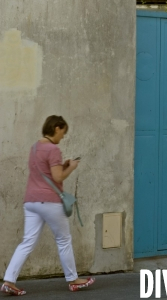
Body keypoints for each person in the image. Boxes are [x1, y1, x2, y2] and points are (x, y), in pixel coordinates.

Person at [1, 116, 95, 296]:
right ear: (57, 128)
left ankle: (8, 281)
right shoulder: (53, 149)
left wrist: (62, 165)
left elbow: (44, 171)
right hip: (49, 201)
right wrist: (72, 166)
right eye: (63, 132)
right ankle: (73, 280)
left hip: (30, 201)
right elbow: (58, 177)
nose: (63, 136)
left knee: (27, 241)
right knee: (63, 239)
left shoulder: (35, 147)